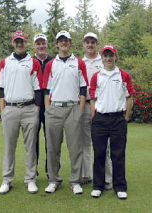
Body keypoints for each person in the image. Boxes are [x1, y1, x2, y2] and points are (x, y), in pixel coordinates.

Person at [0, 31, 43, 194]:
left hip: (30, 109)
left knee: (30, 147)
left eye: (21, 41)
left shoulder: (33, 62)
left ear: (26, 42)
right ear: (13, 43)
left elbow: (38, 89)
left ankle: (31, 179)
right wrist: (3, 110)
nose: (19, 44)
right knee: (9, 147)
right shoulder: (5, 62)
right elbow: (1, 89)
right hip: (10, 109)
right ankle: (7, 180)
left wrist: (36, 110)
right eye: (16, 41)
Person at [43, 30, 88, 194]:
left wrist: (80, 110)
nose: (63, 43)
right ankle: (54, 180)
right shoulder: (50, 64)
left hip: (73, 108)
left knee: (75, 147)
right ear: (56, 44)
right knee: (53, 147)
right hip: (54, 108)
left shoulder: (79, 63)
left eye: (66, 40)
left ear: (70, 43)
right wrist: (48, 111)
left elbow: (83, 88)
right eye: (60, 40)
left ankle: (76, 181)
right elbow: (46, 90)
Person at [89, 44, 135, 199]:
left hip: (118, 119)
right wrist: (94, 117)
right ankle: (98, 186)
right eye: (105, 55)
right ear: (101, 58)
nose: (108, 58)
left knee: (118, 154)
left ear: (116, 57)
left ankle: (120, 187)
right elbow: (93, 99)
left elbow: (129, 98)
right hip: (100, 119)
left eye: (111, 55)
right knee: (99, 154)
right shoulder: (96, 76)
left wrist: (126, 118)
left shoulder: (124, 75)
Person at [81, 32, 113, 190]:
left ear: (97, 44)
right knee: (84, 142)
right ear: (83, 45)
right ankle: (87, 175)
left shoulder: (105, 62)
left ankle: (107, 178)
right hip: (85, 105)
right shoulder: (79, 62)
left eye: (93, 42)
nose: (90, 45)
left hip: (102, 107)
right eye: (87, 42)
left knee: (103, 144)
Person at [33, 33, 53, 176]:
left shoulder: (54, 61)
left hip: (50, 105)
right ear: (34, 46)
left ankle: (50, 169)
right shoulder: (29, 61)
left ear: (47, 45)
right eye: (38, 44)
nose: (41, 46)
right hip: (32, 105)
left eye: (43, 43)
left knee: (51, 140)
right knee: (33, 140)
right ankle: (33, 169)